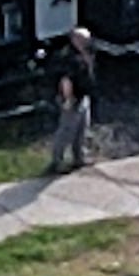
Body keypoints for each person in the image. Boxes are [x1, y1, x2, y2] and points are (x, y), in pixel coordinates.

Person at [49, 27, 97, 173]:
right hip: (73, 99)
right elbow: (66, 81)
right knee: (66, 131)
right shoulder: (69, 58)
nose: (87, 42)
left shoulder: (86, 52)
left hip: (83, 97)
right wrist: (68, 99)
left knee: (82, 130)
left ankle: (79, 157)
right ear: (75, 39)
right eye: (83, 39)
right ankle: (57, 161)